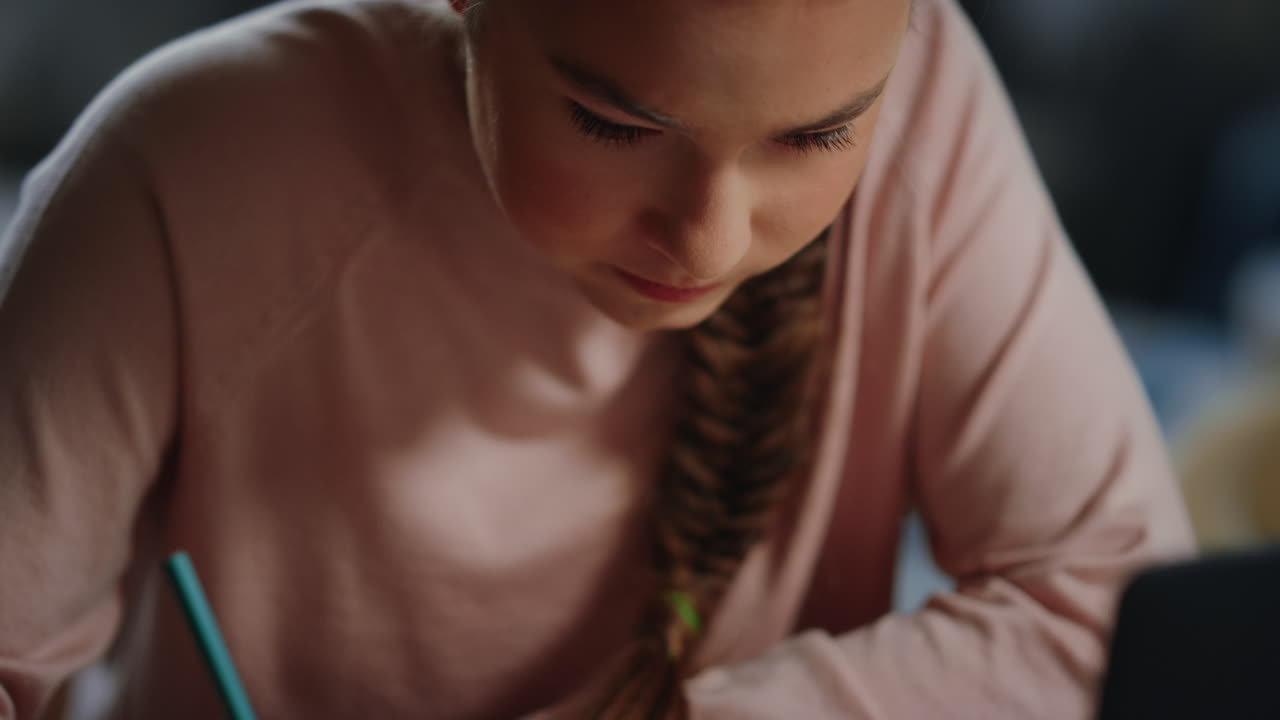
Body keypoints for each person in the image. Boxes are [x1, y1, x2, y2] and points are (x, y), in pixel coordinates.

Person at [0, 0, 1194, 718]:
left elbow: (1116, 608)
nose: (710, 239)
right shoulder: (190, 170)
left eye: (819, 135)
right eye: (614, 126)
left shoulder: (926, 98)